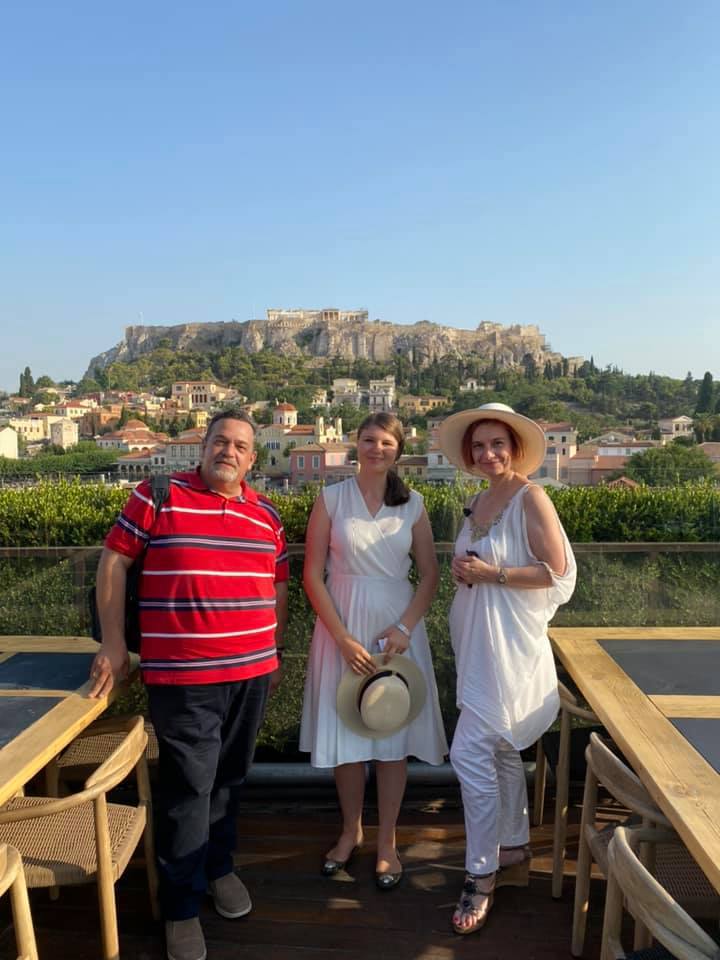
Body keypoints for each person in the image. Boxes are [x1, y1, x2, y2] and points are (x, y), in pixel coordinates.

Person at [88, 408, 288, 960]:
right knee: (189, 790)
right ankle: (180, 908)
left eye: (241, 446)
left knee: (229, 779)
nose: (229, 451)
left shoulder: (268, 515)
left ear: (253, 458)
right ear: (203, 447)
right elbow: (114, 561)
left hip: (252, 672)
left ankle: (219, 869)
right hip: (184, 677)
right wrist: (113, 642)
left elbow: (277, 588)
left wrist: (273, 651)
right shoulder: (158, 496)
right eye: (220, 441)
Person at [437, 402, 576, 936]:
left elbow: (555, 575)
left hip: (510, 649)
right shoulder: (477, 500)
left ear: (515, 448)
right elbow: (477, 565)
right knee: (497, 750)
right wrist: (464, 570)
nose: (487, 453)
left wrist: (492, 574)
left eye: (497, 443)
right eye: (478, 446)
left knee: (469, 751)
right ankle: (514, 846)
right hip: (478, 644)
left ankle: (481, 872)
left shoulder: (531, 497)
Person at [300, 412, 448, 888]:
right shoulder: (330, 498)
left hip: (396, 633)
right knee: (347, 738)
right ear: (355, 444)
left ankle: (388, 841)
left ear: (398, 450)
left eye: (386, 442)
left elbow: (430, 574)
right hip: (340, 627)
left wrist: (405, 627)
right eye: (369, 439)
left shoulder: (414, 504)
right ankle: (351, 832)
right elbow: (312, 573)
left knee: (391, 739)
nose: (377, 448)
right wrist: (341, 638)